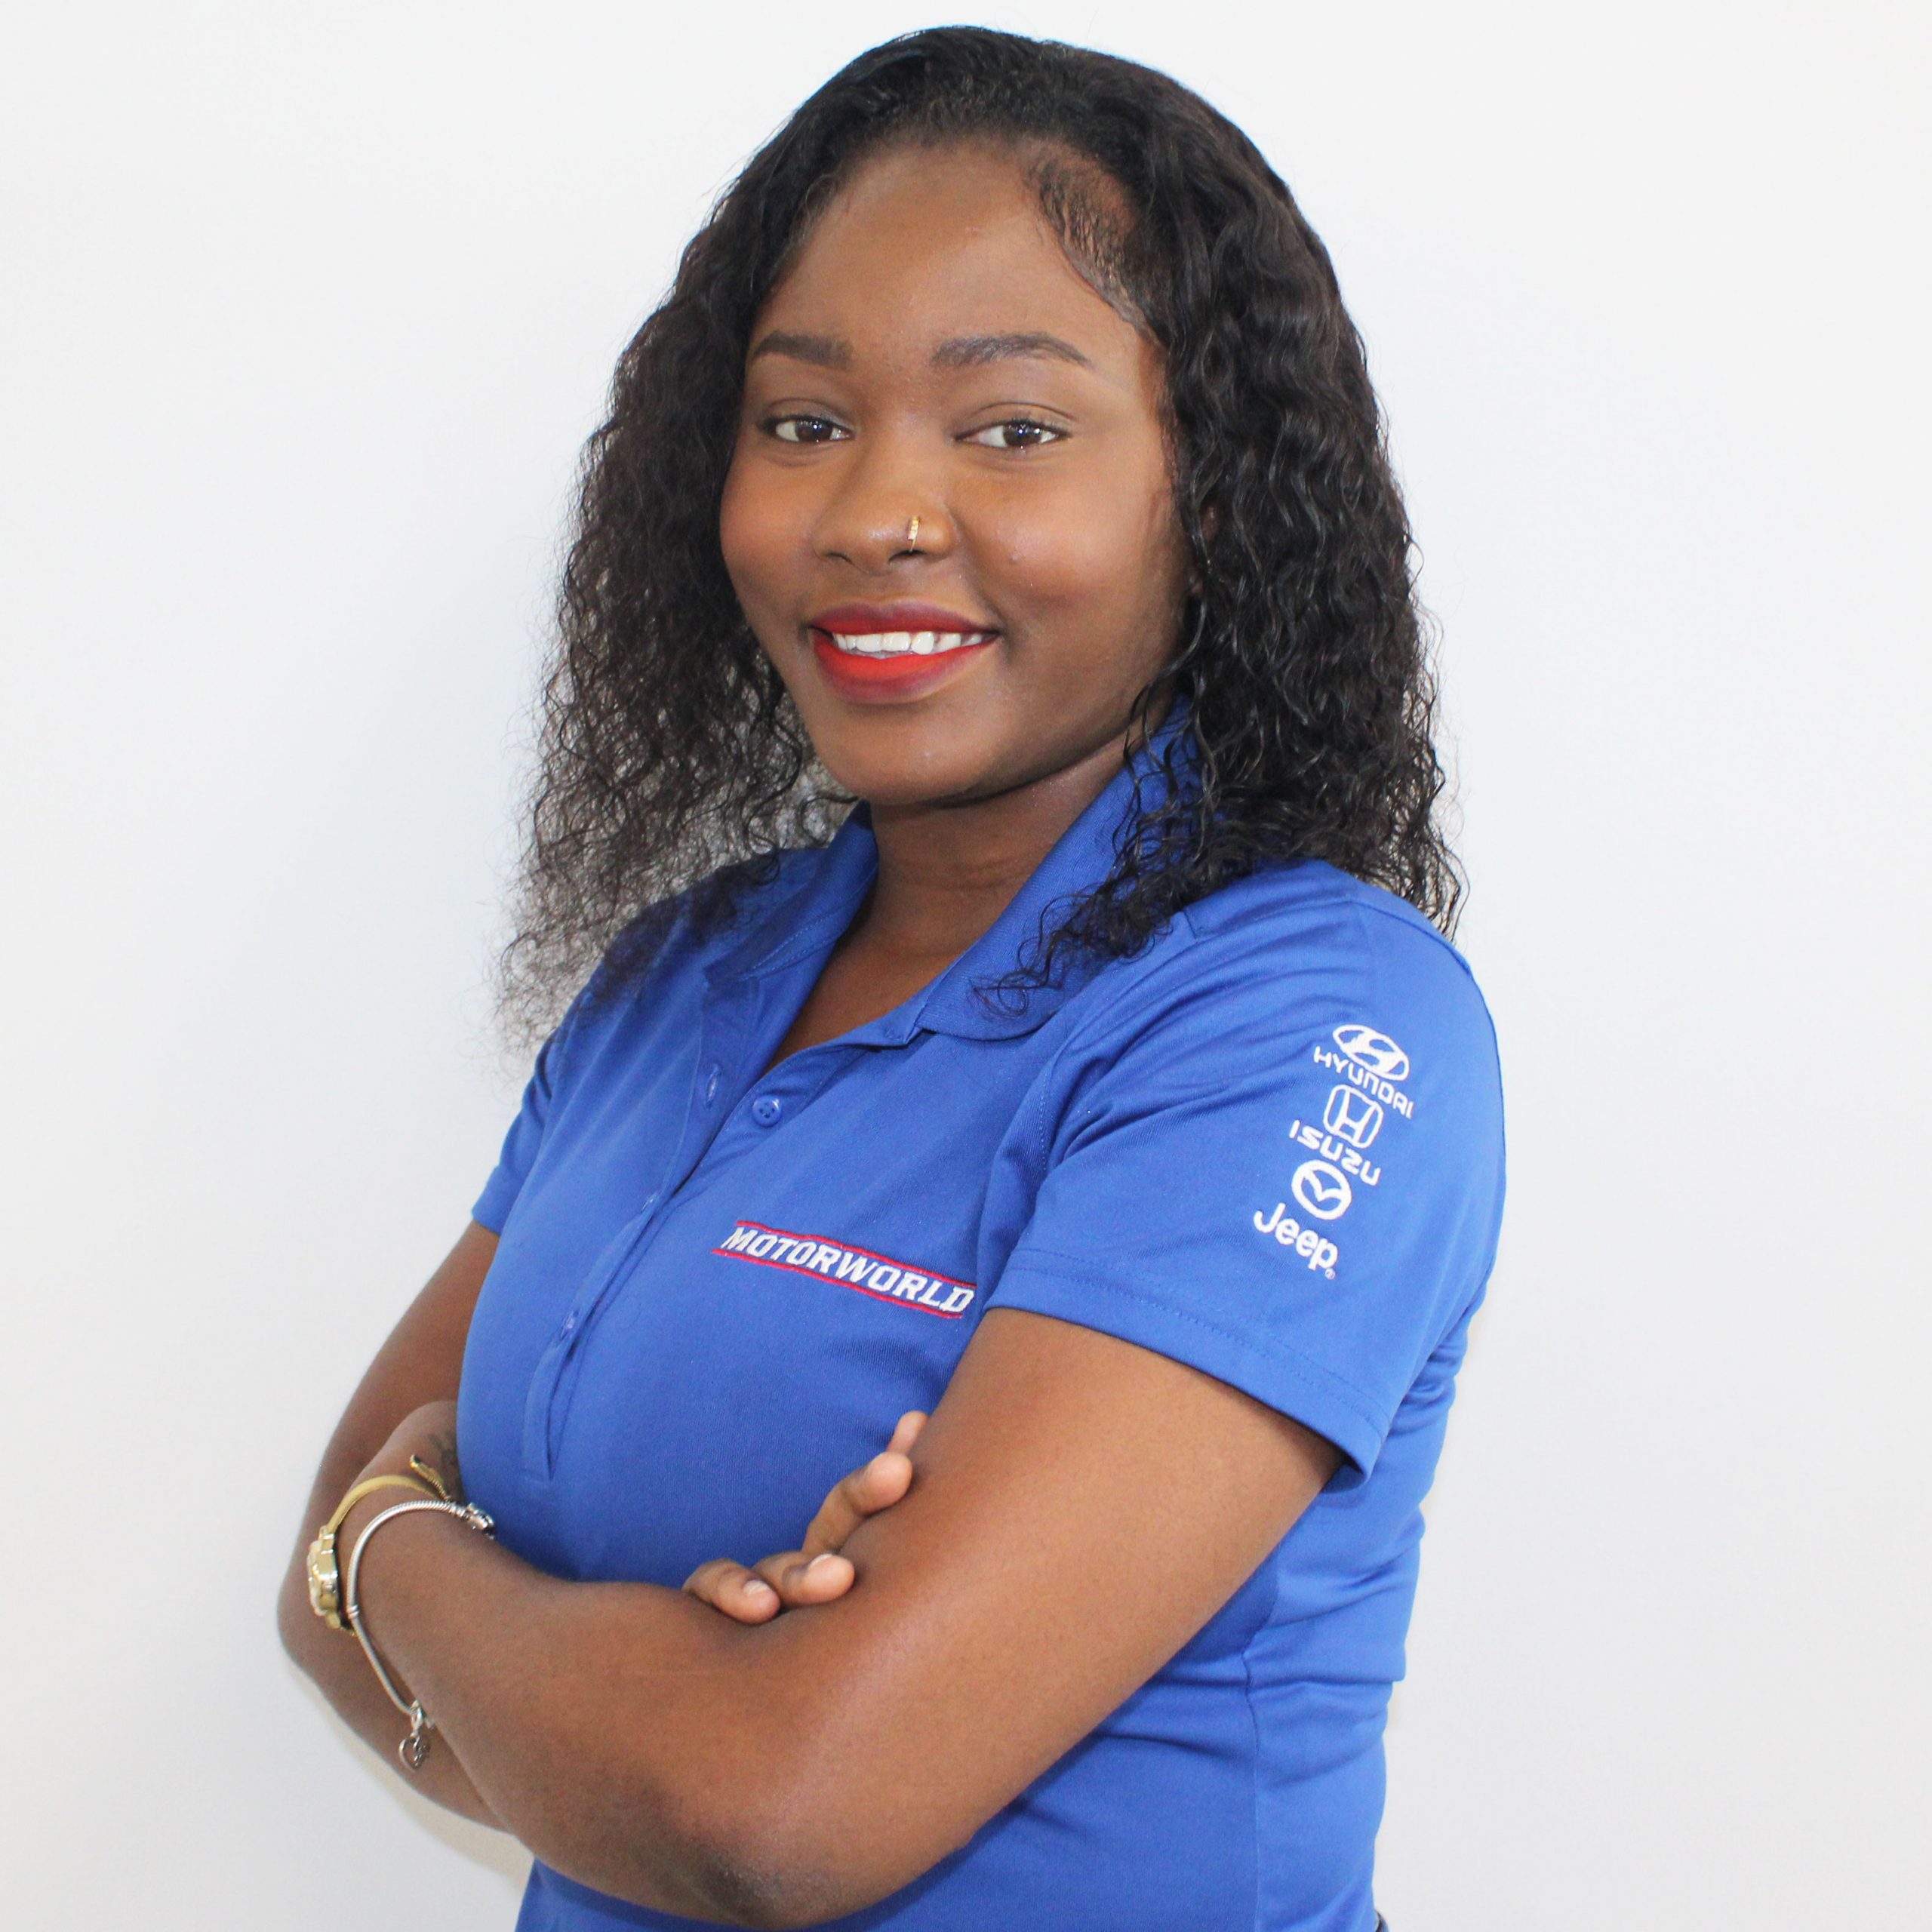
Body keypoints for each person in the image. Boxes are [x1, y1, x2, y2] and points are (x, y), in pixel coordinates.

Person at [278, 26, 1503, 1932]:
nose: (872, 514)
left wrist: (403, 1551)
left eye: (1010, 428)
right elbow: (332, 1604)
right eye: (800, 421)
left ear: (1212, 493)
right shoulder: (681, 972)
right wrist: (623, 1679)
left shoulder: (1304, 1024)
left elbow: (772, 1810)